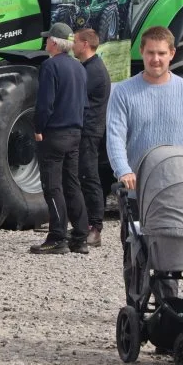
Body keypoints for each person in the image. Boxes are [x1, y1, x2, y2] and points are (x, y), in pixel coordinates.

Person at [107, 26, 183, 191]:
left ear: (172, 53)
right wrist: (123, 171)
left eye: (161, 53)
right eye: (150, 52)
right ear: (141, 51)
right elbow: (115, 138)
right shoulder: (123, 92)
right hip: (139, 189)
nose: (155, 59)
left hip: (178, 188)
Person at [30, 23, 89, 255]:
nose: (45, 43)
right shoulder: (80, 68)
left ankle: (57, 237)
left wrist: (38, 127)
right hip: (75, 132)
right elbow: (84, 103)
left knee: (52, 186)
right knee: (72, 184)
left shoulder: (50, 66)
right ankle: (80, 237)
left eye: (47, 40)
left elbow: (45, 103)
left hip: (54, 133)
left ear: (54, 42)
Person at [73, 28, 110, 247]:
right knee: (82, 177)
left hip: (89, 131)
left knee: (89, 177)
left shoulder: (93, 70)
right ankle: (84, 223)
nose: (73, 46)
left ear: (85, 44)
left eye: (75, 41)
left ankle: (95, 228)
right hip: (85, 129)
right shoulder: (88, 67)